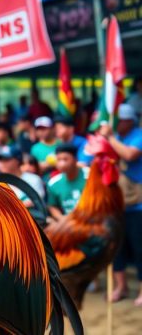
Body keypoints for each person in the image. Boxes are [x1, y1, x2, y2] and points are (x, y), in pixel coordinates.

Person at [99, 104, 142, 305]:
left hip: (136, 204)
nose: (117, 123)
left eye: (120, 119)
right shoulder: (116, 136)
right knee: (117, 247)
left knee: (139, 247)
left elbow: (130, 155)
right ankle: (121, 286)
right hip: (116, 202)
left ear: (129, 120)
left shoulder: (138, 135)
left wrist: (110, 138)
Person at [46, 145, 89, 220]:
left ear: (76, 159)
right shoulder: (53, 183)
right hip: (69, 222)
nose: (62, 164)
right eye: (58, 160)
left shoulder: (89, 176)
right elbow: (52, 206)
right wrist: (62, 219)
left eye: (65, 159)